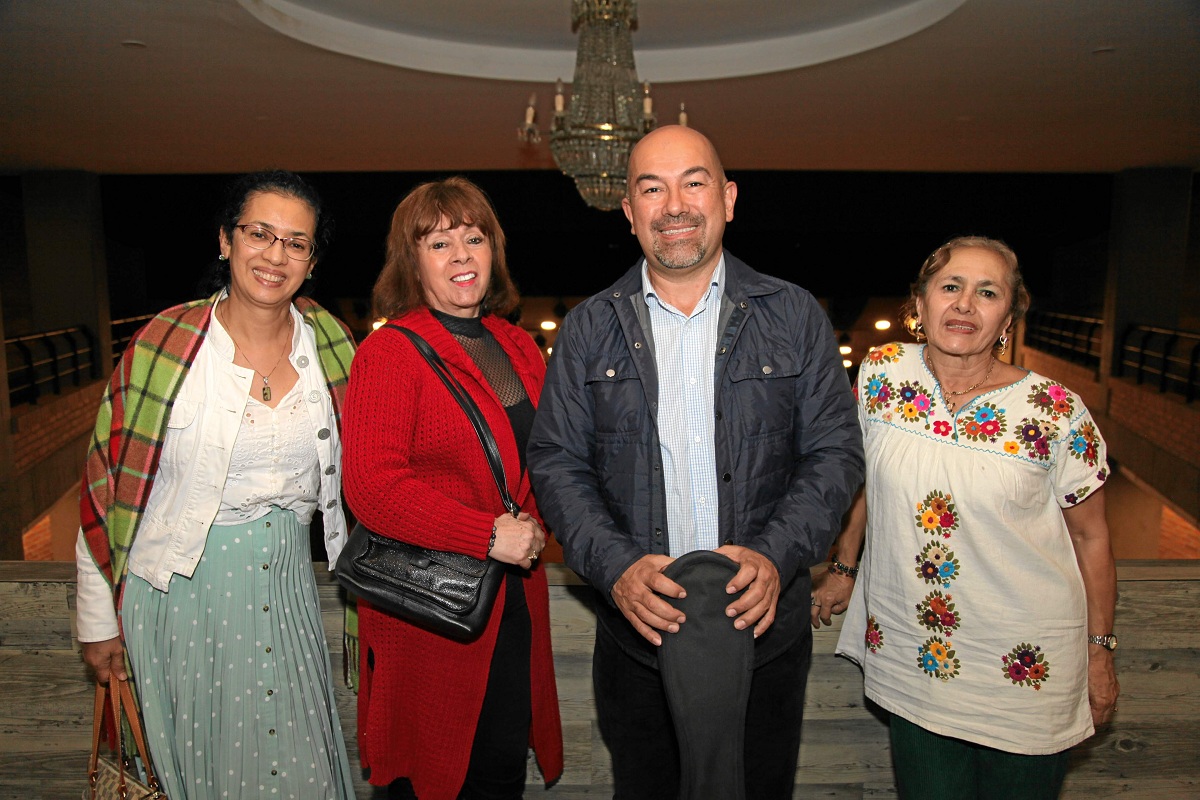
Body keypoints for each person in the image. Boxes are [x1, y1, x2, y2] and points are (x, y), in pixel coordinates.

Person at [527, 125, 865, 798]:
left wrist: (775, 555)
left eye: (694, 182)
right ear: (628, 212)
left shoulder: (793, 315)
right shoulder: (589, 329)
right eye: (652, 188)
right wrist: (618, 569)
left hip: (762, 633)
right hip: (637, 637)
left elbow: (834, 455)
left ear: (729, 198)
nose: (673, 204)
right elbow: (557, 465)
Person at [75, 169, 359, 799]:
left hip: (287, 600)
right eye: (260, 234)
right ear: (226, 241)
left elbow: (378, 464)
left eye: (296, 242)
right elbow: (106, 488)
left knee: (299, 772)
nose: (275, 255)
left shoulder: (334, 347)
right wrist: (99, 621)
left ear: (312, 262)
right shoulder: (163, 346)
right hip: (177, 601)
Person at [814, 236, 1119, 799]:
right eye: (950, 287)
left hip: (1027, 666)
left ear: (1009, 313)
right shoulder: (881, 374)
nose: (963, 305)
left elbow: (1092, 535)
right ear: (921, 301)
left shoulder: (1054, 409)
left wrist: (1100, 648)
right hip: (918, 650)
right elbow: (862, 479)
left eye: (987, 292)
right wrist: (844, 565)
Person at [340, 177, 563, 800]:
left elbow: (542, 462)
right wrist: (487, 533)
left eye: (474, 237)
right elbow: (373, 488)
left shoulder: (518, 345)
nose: (462, 255)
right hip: (430, 610)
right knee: (433, 776)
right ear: (413, 262)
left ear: (494, 250)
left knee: (498, 772)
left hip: (514, 602)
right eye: (440, 243)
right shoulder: (389, 354)